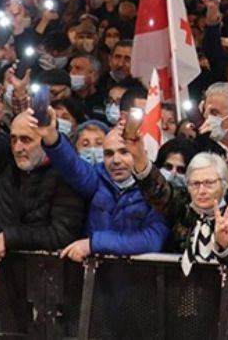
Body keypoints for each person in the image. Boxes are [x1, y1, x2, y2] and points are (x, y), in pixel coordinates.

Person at [34, 108, 168, 260]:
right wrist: (52, 137)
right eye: (108, 154)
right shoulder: (97, 177)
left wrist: (93, 244)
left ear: (140, 152)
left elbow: (152, 240)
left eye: (124, 152)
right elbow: (72, 166)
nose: (116, 160)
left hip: (139, 278)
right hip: (96, 278)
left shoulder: (157, 189)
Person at [129, 131, 228, 272]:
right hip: (178, 288)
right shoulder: (181, 204)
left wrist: (226, 244)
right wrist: (138, 156)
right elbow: (156, 190)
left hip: (223, 290)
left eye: (209, 183)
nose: (201, 190)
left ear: (224, 184)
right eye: (195, 183)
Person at [0, 111, 85, 262]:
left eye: (26, 140)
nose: (17, 148)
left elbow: (63, 235)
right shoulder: (6, 169)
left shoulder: (67, 175)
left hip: (50, 272)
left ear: (46, 140)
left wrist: (9, 238)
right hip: (7, 272)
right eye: (13, 139)